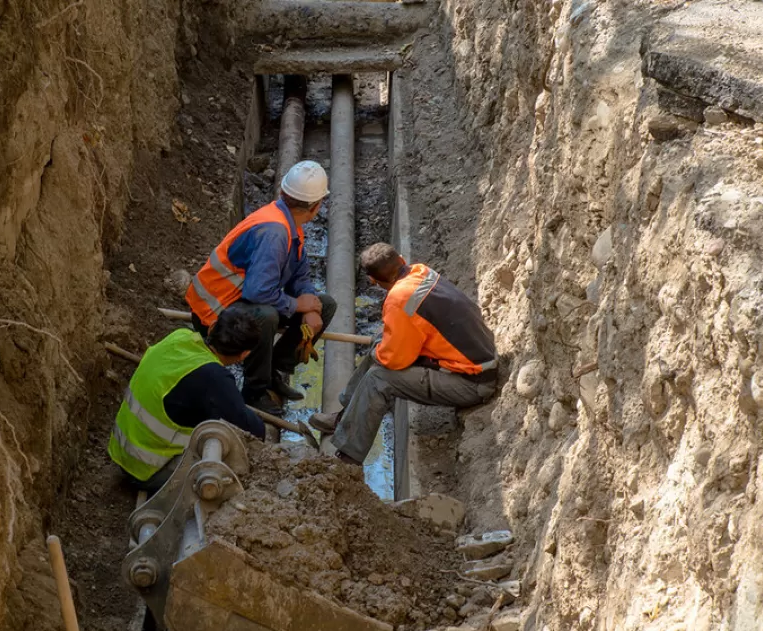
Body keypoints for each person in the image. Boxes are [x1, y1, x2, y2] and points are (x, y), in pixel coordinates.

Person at [310, 243, 498, 465]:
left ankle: (347, 460)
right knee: (380, 347)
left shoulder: (400, 299)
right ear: (401, 259)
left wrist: (382, 350)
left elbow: (394, 360)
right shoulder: (421, 271)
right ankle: (345, 416)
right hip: (476, 362)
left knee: (378, 379)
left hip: (470, 383)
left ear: (373, 281)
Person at [185, 160, 337, 415]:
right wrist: (298, 305)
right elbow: (257, 293)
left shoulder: (289, 224)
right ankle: (254, 391)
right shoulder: (274, 232)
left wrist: (310, 303)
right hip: (215, 310)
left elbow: (299, 273)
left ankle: (272, 371)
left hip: (240, 299)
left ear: (282, 193)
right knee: (266, 316)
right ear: (316, 206)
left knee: (326, 305)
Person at [108, 306, 267, 491]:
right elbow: (252, 430)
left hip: (122, 454)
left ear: (211, 327)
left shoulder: (180, 336)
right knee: (231, 470)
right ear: (245, 354)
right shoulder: (213, 377)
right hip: (148, 470)